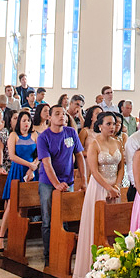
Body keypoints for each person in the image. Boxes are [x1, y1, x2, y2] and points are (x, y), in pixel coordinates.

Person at [73, 112, 125, 278]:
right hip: (99, 188)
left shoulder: (118, 142)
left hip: (115, 189)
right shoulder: (94, 144)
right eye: (108, 124)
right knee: (97, 225)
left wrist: (116, 186)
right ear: (100, 125)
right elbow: (93, 171)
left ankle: (111, 265)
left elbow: (121, 167)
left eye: (114, 124)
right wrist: (108, 187)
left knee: (113, 226)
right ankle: (92, 266)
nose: (112, 127)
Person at [37, 105, 85, 258]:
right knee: (48, 219)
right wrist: (56, 184)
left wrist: (83, 179)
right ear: (49, 117)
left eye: (63, 114)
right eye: (57, 114)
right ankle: (48, 254)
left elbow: (79, 156)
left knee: (65, 217)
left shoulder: (70, 132)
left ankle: (63, 252)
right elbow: (46, 163)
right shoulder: (43, 137)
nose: (62, 116)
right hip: (48, 182)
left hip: (68, 181)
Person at [0, 111, 38, 253]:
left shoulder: (34, 135)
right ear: (19, 122)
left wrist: (33, 167)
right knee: (11, 204)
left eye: (28, 121)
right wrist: (29, 164)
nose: (26, 123)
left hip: (30, 172)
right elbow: (12, 156)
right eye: (24, 120)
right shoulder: (13, 135)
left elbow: (39, 155)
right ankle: (1, 238)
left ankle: (20, 235)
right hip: (18, 170)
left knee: (25, 205)